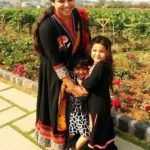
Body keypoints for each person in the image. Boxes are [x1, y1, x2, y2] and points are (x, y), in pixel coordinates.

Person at [33, 0, 91, 149]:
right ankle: (60, 141)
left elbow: (84, 41)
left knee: (74, 106)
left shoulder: (76, 15)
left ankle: (75, 135)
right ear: (52, 2)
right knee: (58, 104)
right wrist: (71, 86)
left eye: (70, 0)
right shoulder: (47, 26)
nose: (67, 5)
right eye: (61, 1)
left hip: (72, 65)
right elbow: (56, 62)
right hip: (54, 72)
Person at [82, 35, 117, 150]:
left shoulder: (100, 66)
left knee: (97, 127)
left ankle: (97, 147)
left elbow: (89, 84)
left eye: (101, 51)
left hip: (98, 104)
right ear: (90, 50)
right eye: (94, 50)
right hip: (101, 101)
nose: (97, 54)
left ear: (107, 52)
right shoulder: (100, 64)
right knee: (103, 126)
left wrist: (81, 81)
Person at [66, 54, 93, 150]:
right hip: (76, 111)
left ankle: (69, 146)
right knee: (84, 134)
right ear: (73, 68)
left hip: (84, 111)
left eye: (84, 69)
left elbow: (86, 92)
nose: (81, 72)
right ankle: (71, 147)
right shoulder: (71, 76)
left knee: (77, 132)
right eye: (78, 69)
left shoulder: (89, 77)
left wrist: (80, 83)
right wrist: (73, 89)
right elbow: (66, 89)